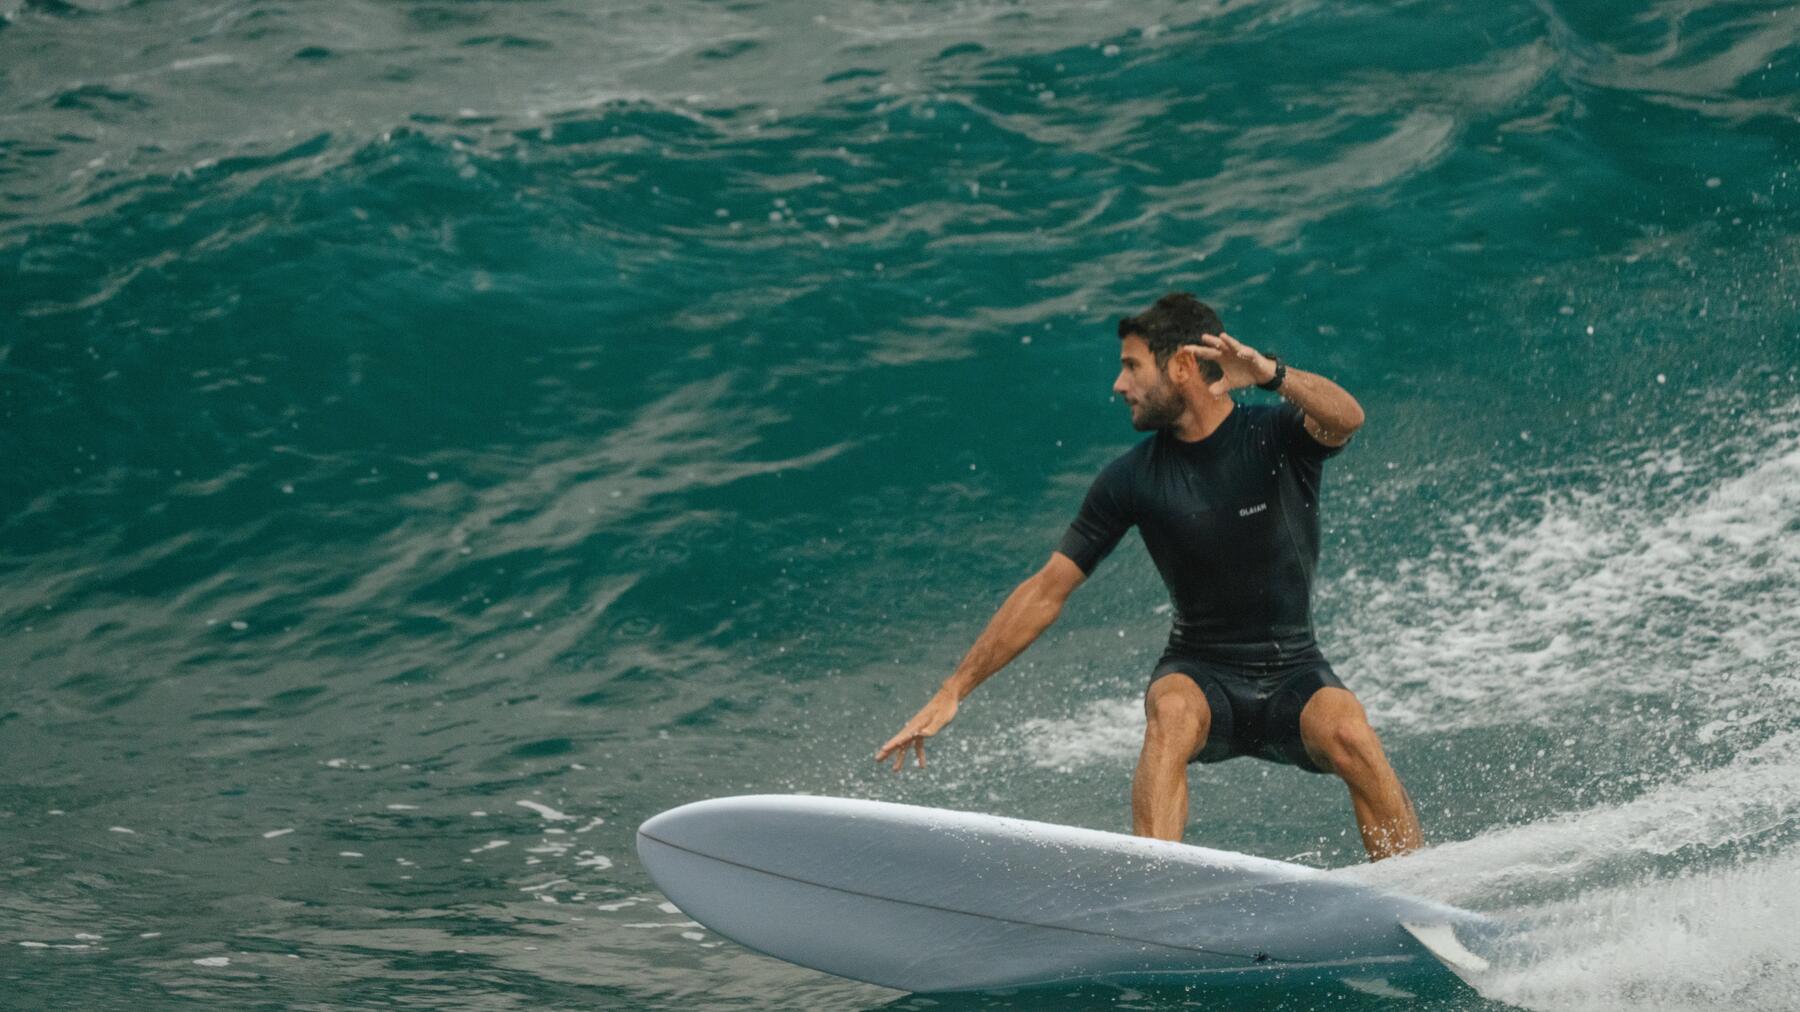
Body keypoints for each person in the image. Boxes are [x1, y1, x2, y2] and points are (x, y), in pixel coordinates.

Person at [874, 292, 1422, 861]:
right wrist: (953, 690)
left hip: (1294, 671)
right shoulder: (1131, 479)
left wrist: (1272, 375)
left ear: (1182, 366)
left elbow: (1347, 418)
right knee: (1172, 713)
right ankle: (1156, 883)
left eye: (1132, 366)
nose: (1119, 384)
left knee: (1350, 732)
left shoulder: (1276, 437)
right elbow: (1045, 591)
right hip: (1201, 671)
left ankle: (1411, 885)